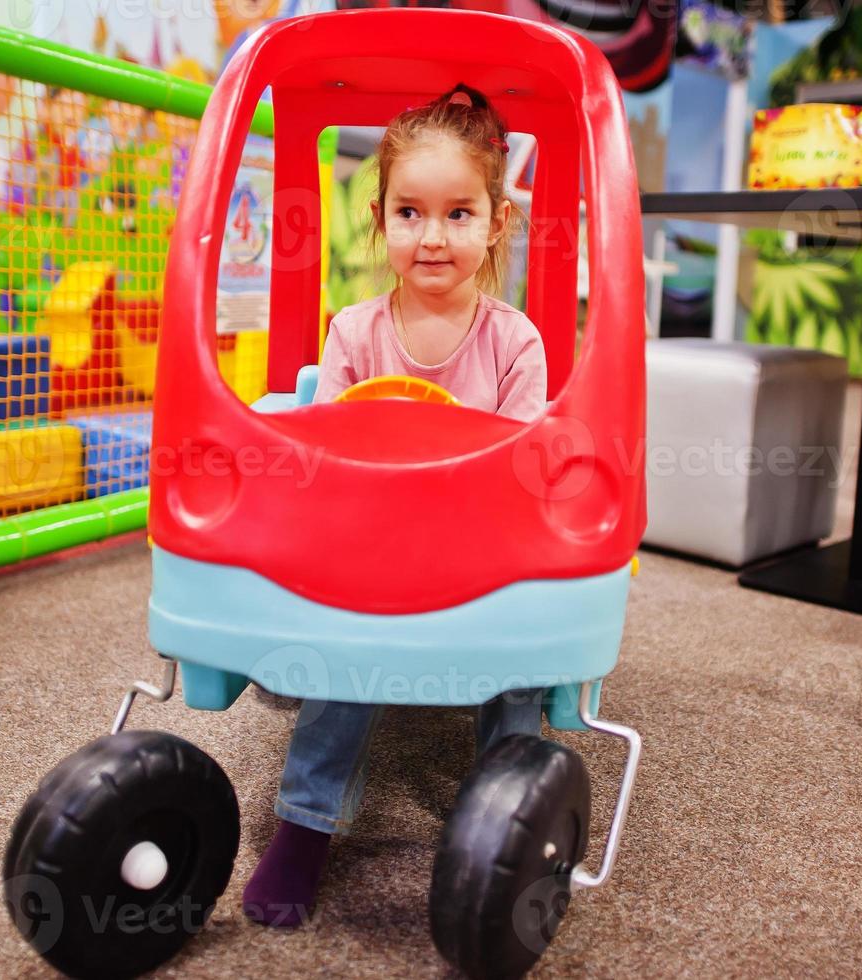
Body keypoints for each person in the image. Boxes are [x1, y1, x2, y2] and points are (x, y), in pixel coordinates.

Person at [241, 83, 547, 929]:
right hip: (374, 546)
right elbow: (324, 453)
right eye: (410, 212)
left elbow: (524, 466)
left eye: (458, 213)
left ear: (494, 223)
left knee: (522, 648)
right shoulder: (352, 333)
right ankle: (305, 826)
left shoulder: (514, 341)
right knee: (347, 641)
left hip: (483, 552)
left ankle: (506, 817)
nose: (433, 235)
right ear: (379, 220)